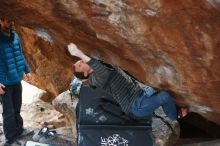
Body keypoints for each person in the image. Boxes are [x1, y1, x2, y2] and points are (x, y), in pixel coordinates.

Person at [67, 43, 177, 122]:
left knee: (161, 86)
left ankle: (175, 109)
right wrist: (79, 53)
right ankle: (175, 117)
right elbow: (102, 70)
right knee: (164, 96)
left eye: (80, 61)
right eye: (80, 65)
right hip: (136, 106)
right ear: (85, 73)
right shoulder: (95, 80)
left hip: (141, 93)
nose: (81, 61)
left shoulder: (99, 64)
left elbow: (98, 60)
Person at [0, 18, 32, 145]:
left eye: (13, 20)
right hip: (4, 82)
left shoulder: (15, 35)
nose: (12, 22)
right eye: (8, 21)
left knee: (17, 107)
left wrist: (27, 70)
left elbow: (20, 55)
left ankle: (19, 130)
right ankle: (10, 139)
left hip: (16, 79)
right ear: (1, 21)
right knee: (8, 112)